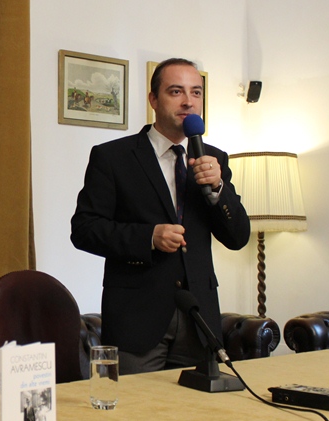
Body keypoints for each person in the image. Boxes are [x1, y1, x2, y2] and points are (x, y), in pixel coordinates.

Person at [71, 58, 251, 374]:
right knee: (137, 405)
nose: (188, 102)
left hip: (198, 318)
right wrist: (148, 237)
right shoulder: (113, 157)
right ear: (153, 99)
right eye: (176, 91)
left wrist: (218, 189)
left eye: (196, 93)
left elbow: (238, 237)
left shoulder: (214, 159)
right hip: (137, 319)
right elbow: (84, 229)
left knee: (196, 406)